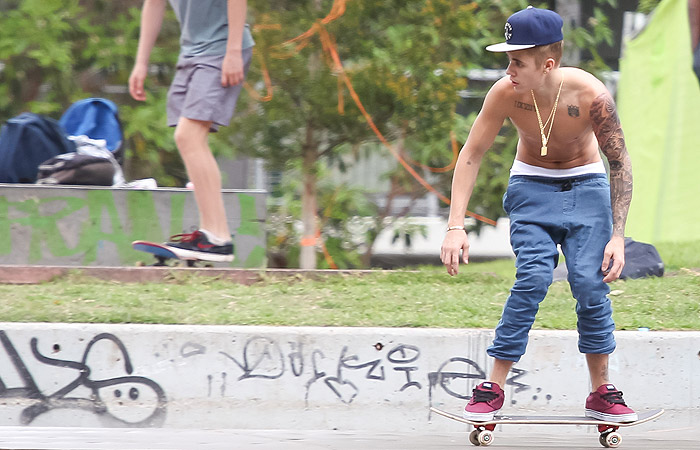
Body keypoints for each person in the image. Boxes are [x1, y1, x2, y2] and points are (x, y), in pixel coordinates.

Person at [440, 6, 637, 423]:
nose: (508, 69)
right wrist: (455, 226)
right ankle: (492, 387)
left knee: (589, 281)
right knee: (532, 277)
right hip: (530, 188)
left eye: (517, 61)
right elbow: (471, 155)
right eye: (507, 60)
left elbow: (618, 162)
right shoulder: (505, 93)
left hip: (587, 187)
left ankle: (602, 391)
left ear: (547, 64)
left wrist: (618, 235)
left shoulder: (591, 95)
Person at [128, 0, 254, 262]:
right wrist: (141, 63)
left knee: (189, 136)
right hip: (192, 54)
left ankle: (217, 237)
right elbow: (154, 4)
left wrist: (232, 51)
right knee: (189, 140)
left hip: (222, 49)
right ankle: (213, 235)